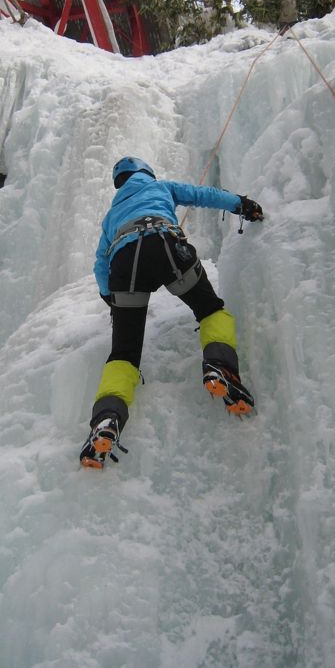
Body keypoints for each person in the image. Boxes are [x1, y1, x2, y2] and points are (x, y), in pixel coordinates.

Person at [80, 156, 263, 469]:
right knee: (209, 309)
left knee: (124, 353)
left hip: (125, 264)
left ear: (119, 183)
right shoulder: (161, 187)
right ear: (146, 174)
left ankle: (107, 418)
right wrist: (241, 204)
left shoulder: (111, 216)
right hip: (163, 244)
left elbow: (100, 262)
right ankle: (220, 367)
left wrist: (110, 296)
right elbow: (204, 195)